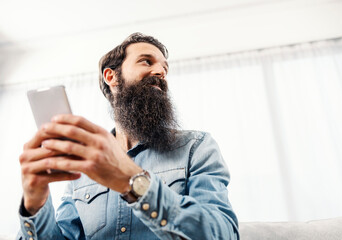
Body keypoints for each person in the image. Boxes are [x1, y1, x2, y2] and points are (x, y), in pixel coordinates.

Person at [17, 33, 239, 240]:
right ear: (110, 76)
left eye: (165, 68)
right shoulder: (84, 165)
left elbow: (223, 233)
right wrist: (35, 206)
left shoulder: (196, 147)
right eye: (146, 61)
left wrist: (132, 182)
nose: (161, 71)